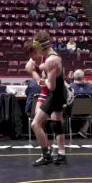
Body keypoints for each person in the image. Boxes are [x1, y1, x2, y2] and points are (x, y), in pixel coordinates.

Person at [31, 31, 67, 166]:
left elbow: (51, 87)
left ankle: (46, 155)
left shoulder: (51, 61)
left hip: (55, 95)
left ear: (40, 46)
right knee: (56, 124)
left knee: (35, 124)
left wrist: (43, 81)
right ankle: (61, 155)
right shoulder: (53, 57)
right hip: (59, 93)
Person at [24, 40, 49, 114]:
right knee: (33, 84)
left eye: (34, 53)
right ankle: (30, 112)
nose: (32, 57)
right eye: (30, 55)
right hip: (43, 88)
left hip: (52, 83)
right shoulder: (29, 65)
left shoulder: (47, 58)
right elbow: (39, 81)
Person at [69, 69, 92, 138]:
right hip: (87, 110)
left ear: (73, 77)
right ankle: (83, 131)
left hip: (72, 111)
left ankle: (66, 132)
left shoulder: (70, 87)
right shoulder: (89, 86)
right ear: (83, 77)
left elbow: (67, 98)